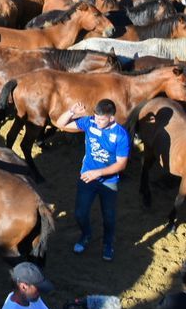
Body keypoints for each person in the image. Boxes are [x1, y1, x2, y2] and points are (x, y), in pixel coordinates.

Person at [54, 99, 131, 261]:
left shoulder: (120, 135)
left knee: (109, 216)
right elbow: (60, 124)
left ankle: (108, 244)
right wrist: (71, 112)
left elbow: (121, 164)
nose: (97, 121)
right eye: (95, 117)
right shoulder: (90, 123)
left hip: (109, 182)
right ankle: (85, 235)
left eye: (101, 119)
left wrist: (98, 173)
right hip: (87, 177)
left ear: (111, 118)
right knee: (80, 213)